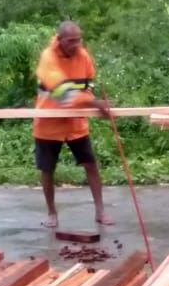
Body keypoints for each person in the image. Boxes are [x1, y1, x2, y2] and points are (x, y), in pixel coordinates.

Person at [33, 20, 112, 228]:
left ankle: (100, 211)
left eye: (78, 40)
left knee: (91, 165)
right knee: (47, 169)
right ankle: (52, 213)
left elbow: (87, 85)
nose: (76, 45)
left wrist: (94, 102)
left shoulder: (83, 56)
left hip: (76, 123)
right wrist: (93, 103)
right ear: (60, 40)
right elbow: (63, 94)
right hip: (49, 124)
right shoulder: (48, 58)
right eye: (70, 41)